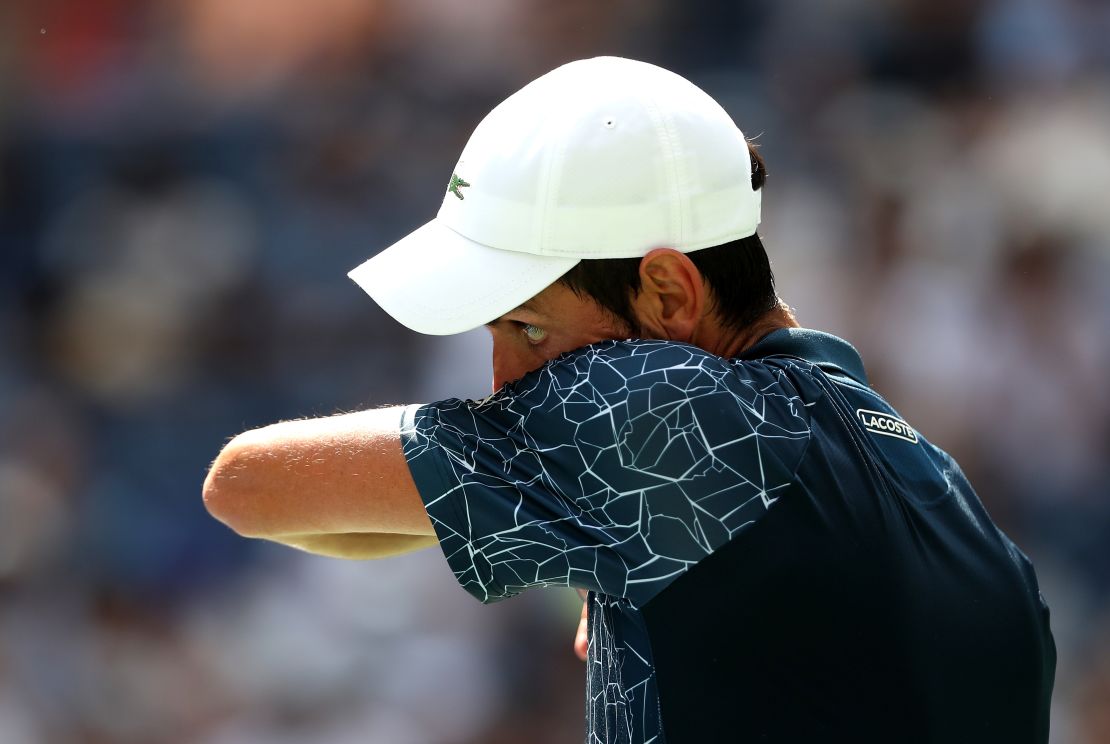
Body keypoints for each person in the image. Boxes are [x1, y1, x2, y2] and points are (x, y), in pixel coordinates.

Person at [203, 57, 1056, 743]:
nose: (501, 375)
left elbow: (246, 487)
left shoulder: (665, 418)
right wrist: (574, 513)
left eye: (529, 330)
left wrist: (571, 493)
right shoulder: (929, 483)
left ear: (669, 291)